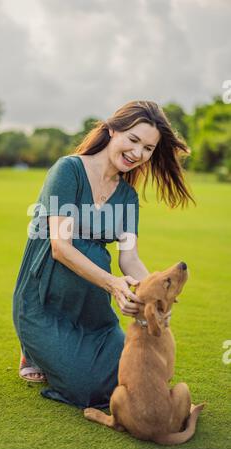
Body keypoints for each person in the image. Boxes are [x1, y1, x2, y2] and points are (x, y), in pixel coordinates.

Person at [12, 100, 195, 409]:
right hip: (43, 303)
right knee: (85, 388)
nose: (138, 153)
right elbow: (60, 246)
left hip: (92, 311)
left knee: (130, 375)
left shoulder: (127, 196)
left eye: (148, 148)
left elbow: (129, 259)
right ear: (112, 130)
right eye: (133, 140)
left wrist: (152, 298)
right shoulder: (68, 170)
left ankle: (54, 351)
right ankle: (33, 350)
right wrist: (113, 284)